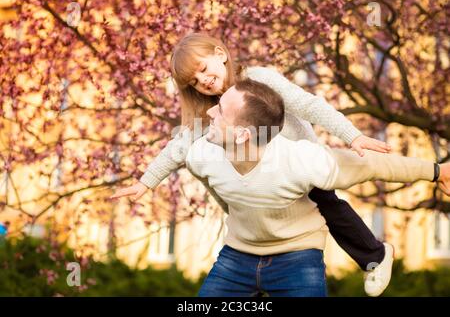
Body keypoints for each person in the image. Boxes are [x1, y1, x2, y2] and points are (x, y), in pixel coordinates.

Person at [111, 33, 396, 296]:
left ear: (220, 53)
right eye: (194, 82)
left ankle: (376, 256)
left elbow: (309, 105)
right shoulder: (212, 109)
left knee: (328, 205)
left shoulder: (258, 79)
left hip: (298, 167)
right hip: (260, 182)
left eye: (202, 69)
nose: (203, 81)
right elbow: (180, 146)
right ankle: (255, 273)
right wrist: (146, 181)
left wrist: (352, 136)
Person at [184, 79, 450, 297]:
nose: (208, 112)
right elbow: (221, 193)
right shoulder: (200, 156)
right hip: (237, 258)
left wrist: (437, 171)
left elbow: (373, 166)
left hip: (297, 259)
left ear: (243, 135)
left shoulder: (302, 160)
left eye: (219, 110)